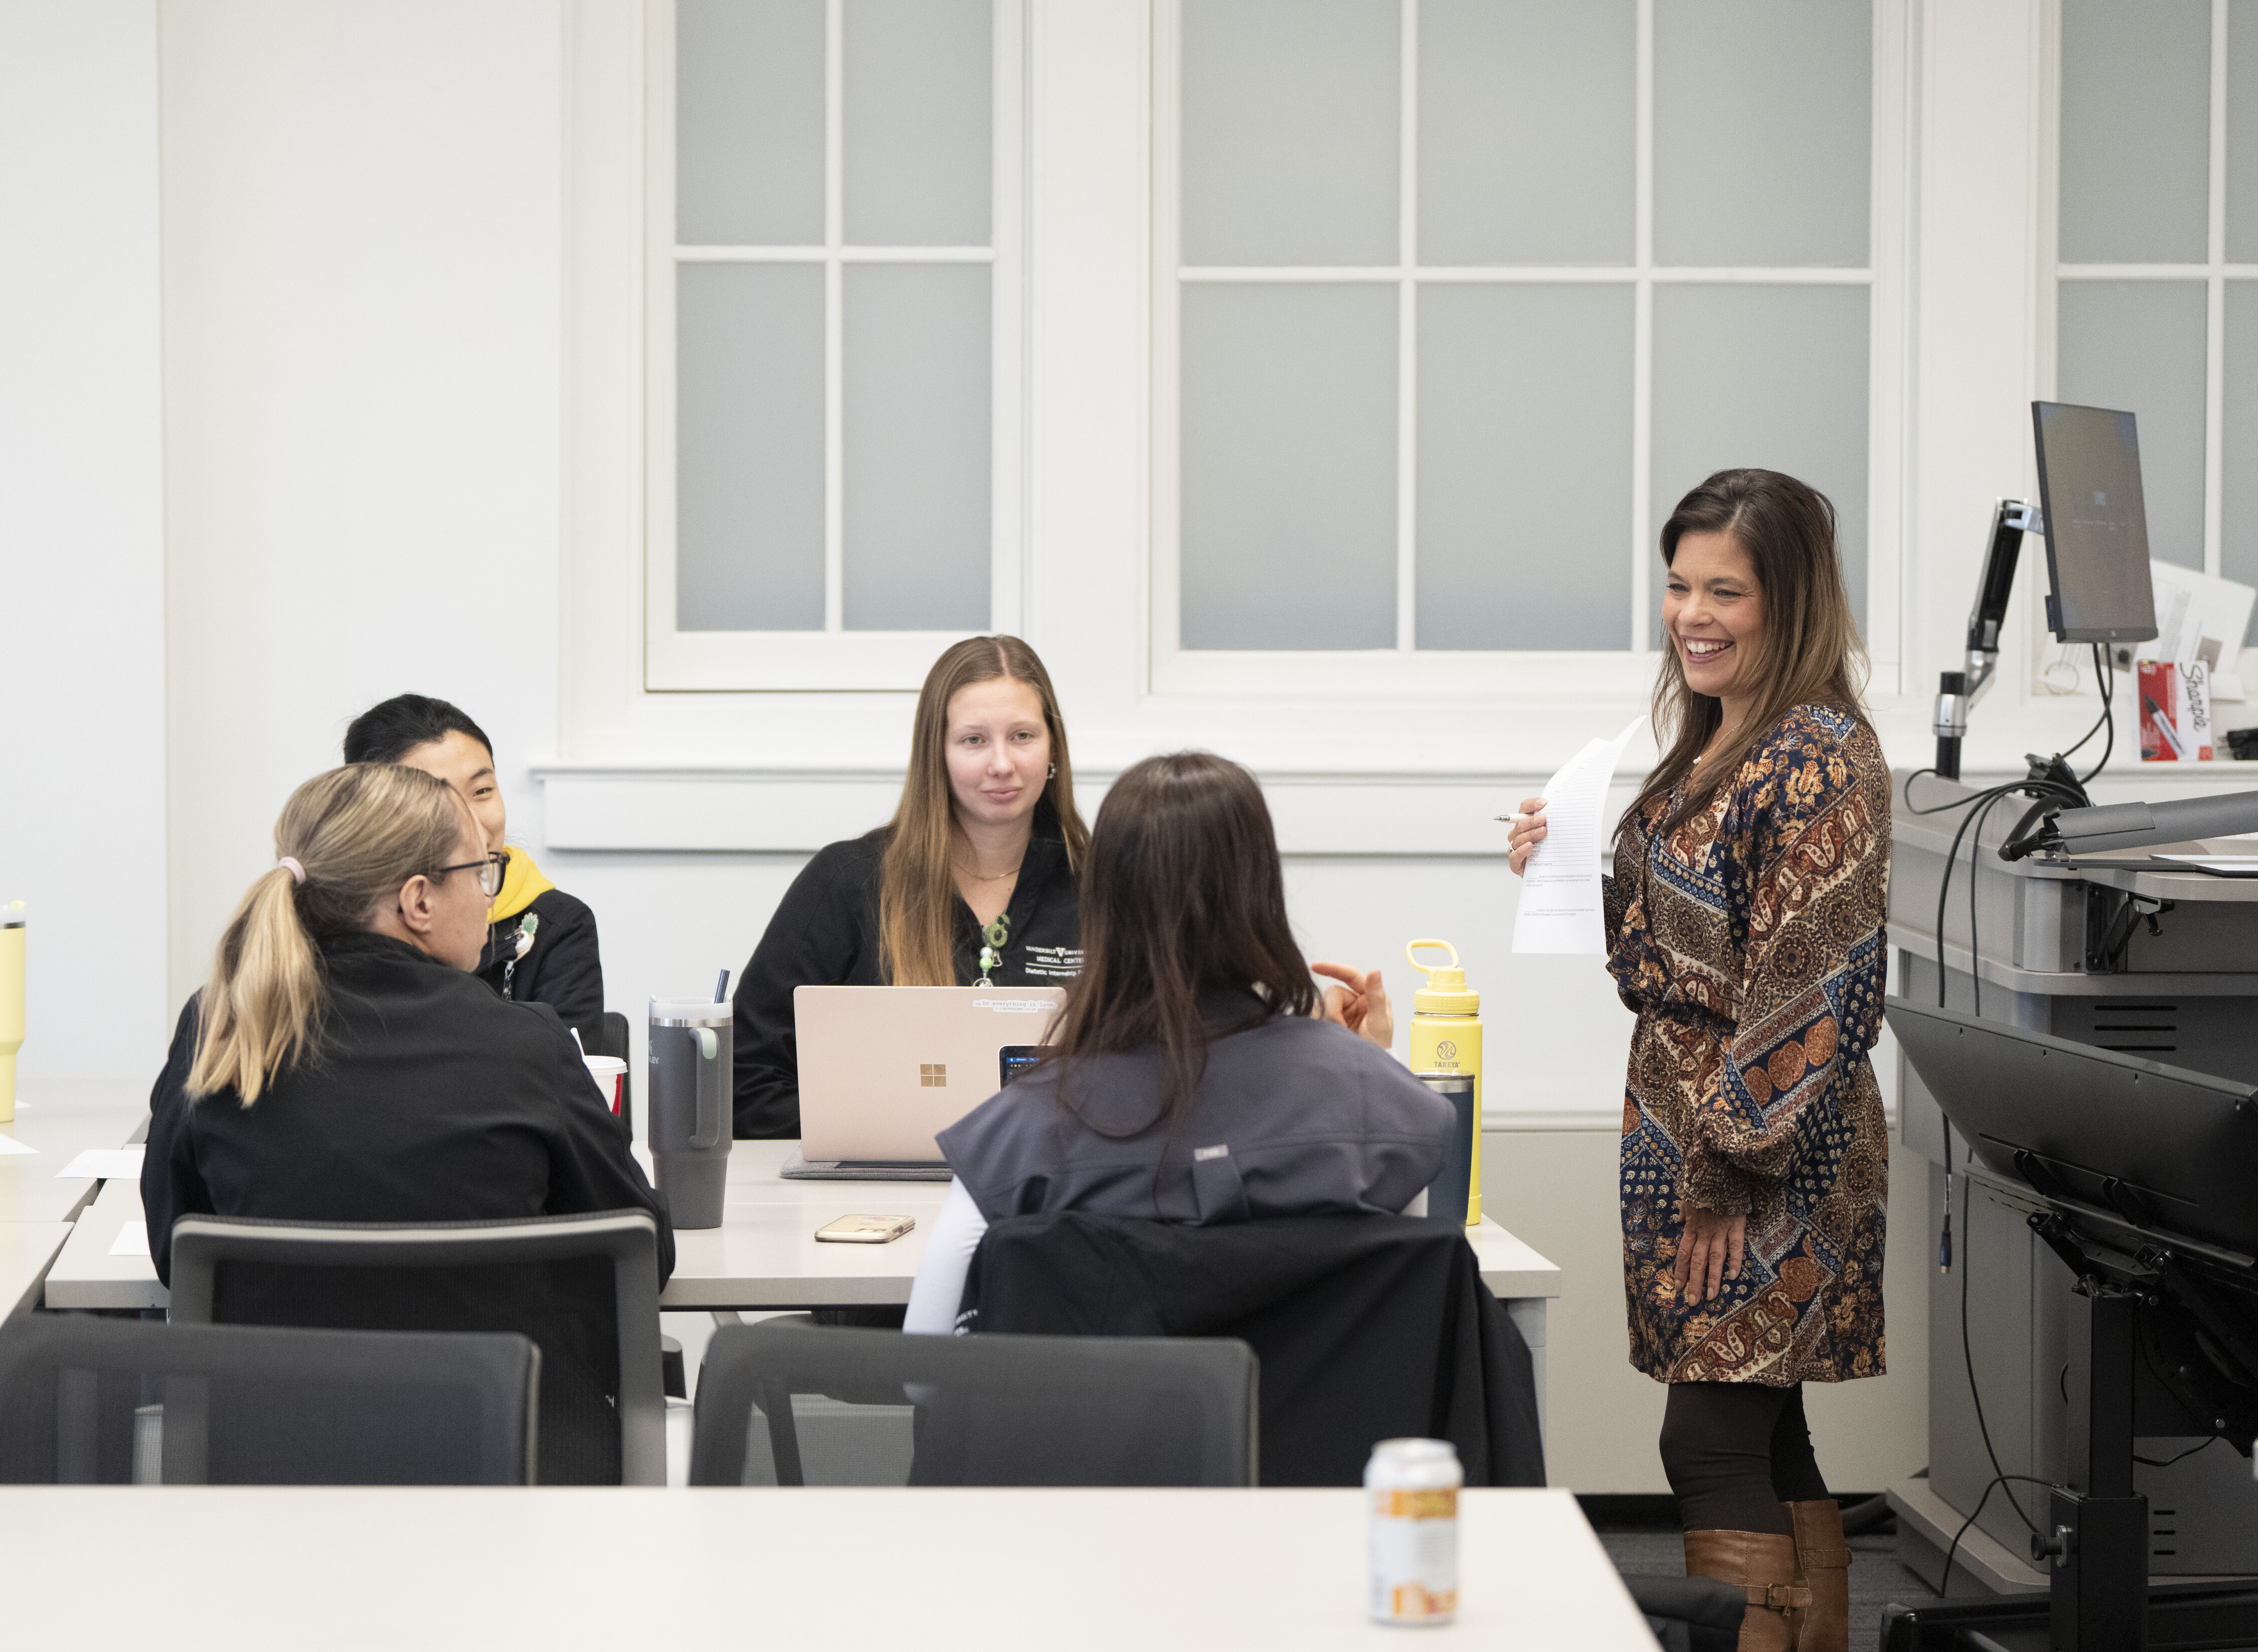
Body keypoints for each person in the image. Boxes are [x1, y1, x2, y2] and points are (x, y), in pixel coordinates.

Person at [1507, 469, 1887, 1652]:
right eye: (1677, 584)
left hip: (1760, 1145)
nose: (1691, 614)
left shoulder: (1815, 755)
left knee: (1705, 1441)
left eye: (1725, 589)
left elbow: (1803, 988)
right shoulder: (1719, 738)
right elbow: (1686, 943)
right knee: (1766, 1436)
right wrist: (1572, 864)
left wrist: (1726, 1168)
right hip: (1691, 1127)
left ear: (1789, 602)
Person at [140, 764, 672, 1483]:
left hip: (271, 1478)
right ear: (419, 900)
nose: (490, 897)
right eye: (480, 874)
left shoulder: (222, 1028)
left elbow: (177, 1247)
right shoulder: (525, 1045)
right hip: (516, 1474)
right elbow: (640, 1254)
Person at [903, 749, 1445, 1335]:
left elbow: (925, 1373)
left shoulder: (1017, 1134)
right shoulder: (1386, 1113)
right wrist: (1363, 1063)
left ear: (1102, 906)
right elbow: (1406, 1323)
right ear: (1261, 894)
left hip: (1094, 1427)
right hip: (1314, 1427)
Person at [730, 636, 1092, 1140]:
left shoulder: (1106, 886)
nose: (1002, 764)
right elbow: (743, 1082)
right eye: (974, 740)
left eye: (1023, 736)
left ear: (1053, 747)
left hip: (1060, 1187)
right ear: (936, 753)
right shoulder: (848, 880)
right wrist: (881, 1126)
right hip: (879, 1192)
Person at [343, 694, 604, 1044]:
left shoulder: (558, 926)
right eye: (437, 800)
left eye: (482, 790)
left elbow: (569, 1080)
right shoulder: (338, 928)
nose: (473, 825)